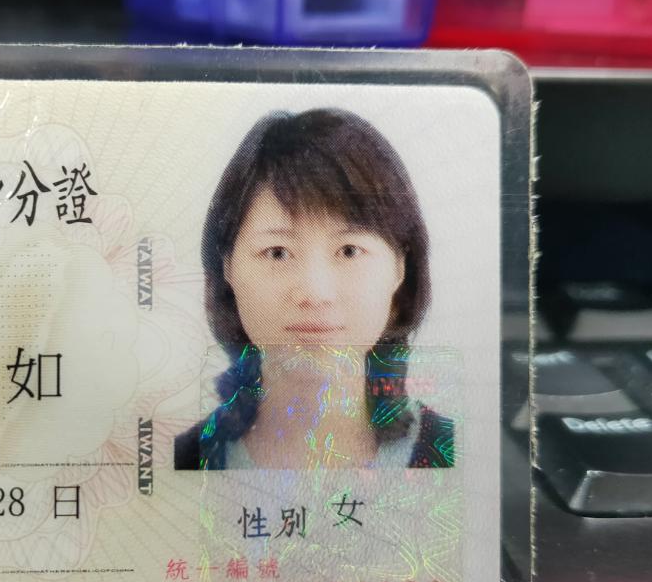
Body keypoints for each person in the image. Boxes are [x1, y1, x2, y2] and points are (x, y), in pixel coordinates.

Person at [174, 108, 454, 470]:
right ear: (227, 267)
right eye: (278, 252)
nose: (315, 293)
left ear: (400, 267)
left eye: (349, 250)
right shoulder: (184, 462)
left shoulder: (453, 453)